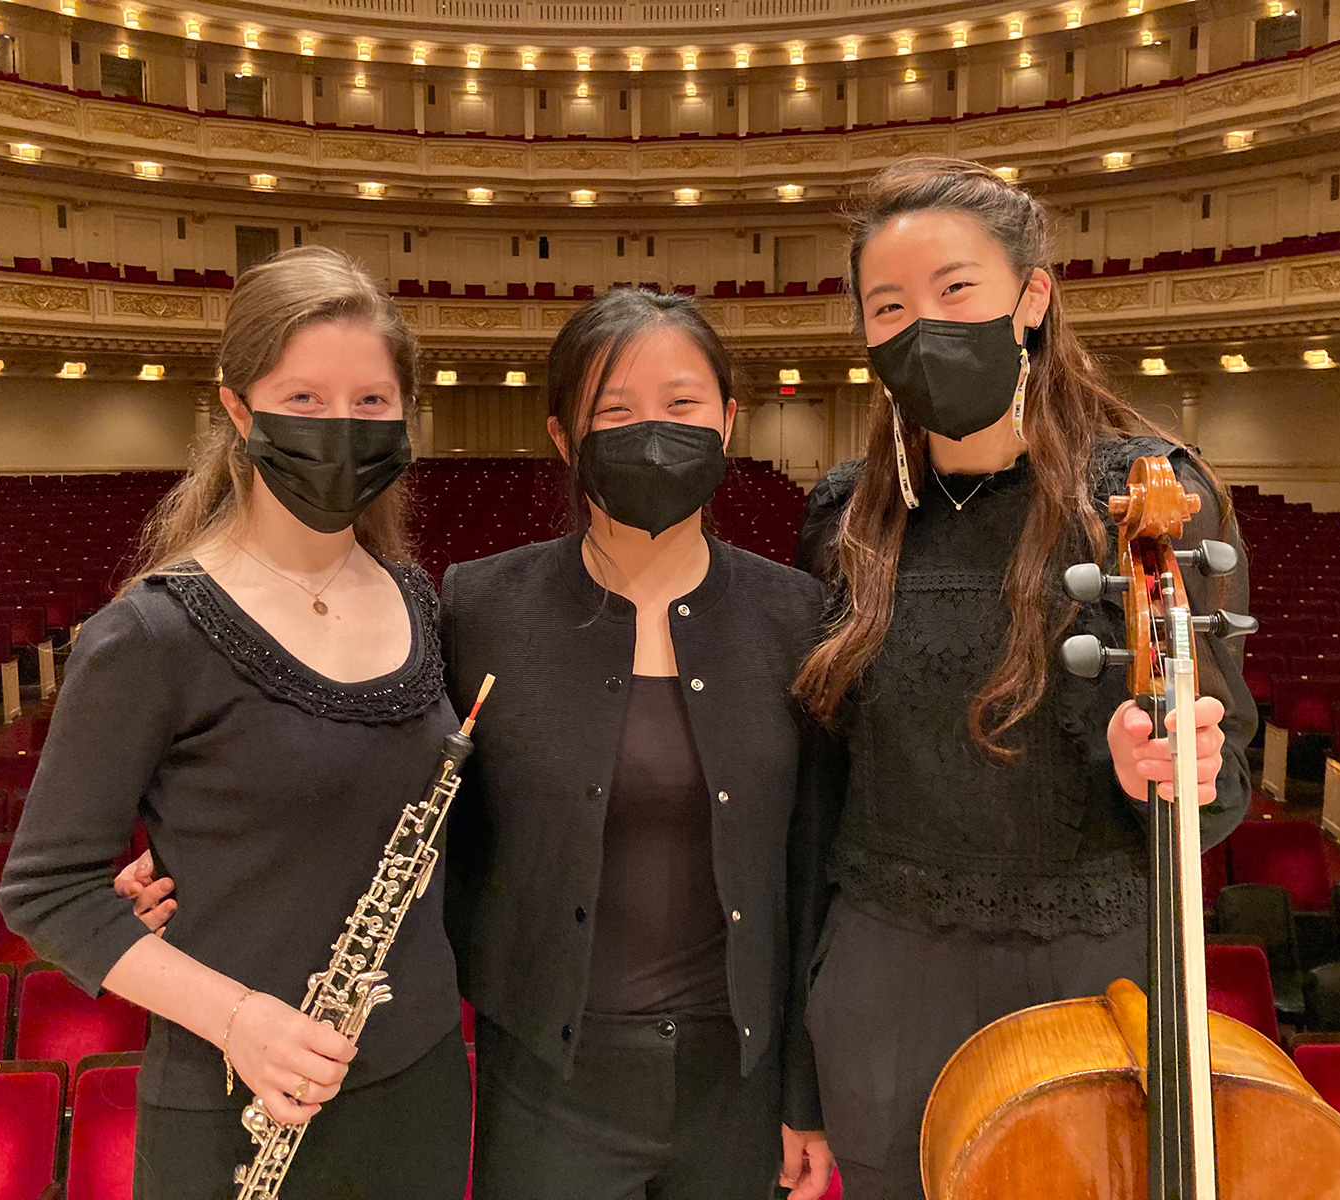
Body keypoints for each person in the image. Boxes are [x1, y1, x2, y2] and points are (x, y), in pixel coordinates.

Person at [791, 157, 1256, 1200]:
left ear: (1031, 296)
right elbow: (819, 784)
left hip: (1083, 972)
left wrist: (1164, 771)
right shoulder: (843, 514)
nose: (922, 326)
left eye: (955, 291)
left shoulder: (1145, 495)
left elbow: (1222, 790)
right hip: (881, 975)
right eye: (888, 306)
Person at [0, 246, 472, 1200]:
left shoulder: (419, 601)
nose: (341, 426)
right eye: (304, 399)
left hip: (419, 1084)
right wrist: (242, 1019)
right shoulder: (153, 629)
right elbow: (47, 890)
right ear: (240, 410)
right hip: (236, 1094)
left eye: (372, 403)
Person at [439, 288, 842, 1200]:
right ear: (561, 436)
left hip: (736, 1088)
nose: (649, 431)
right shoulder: (478, 609)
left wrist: (803, 1093)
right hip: (544, 1081)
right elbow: (413, 820)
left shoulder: (797, 616)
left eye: (681, 404)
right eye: (612, 411)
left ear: (729, 422)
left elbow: (814, 865)